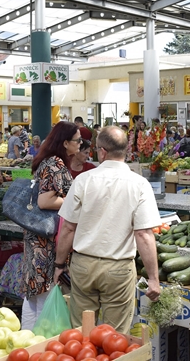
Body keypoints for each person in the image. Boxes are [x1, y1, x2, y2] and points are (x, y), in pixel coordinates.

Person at [54, 126, 161, 333]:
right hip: (118, 269)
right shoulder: (140, 184)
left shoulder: (83, 180)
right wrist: (153, 278)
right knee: (114, 338)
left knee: (81, 334)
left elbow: (68, 229)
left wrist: (59, 264)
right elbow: (143, 235)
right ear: (126, 150)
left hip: (83, 265)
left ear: (102, 151)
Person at [21, 121, 81, 330]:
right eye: (77, 140)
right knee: (44, 293)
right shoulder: (55, 164)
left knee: (34, 293)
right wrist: (75, 202)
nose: (80, 144)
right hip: (45, 239)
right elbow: (45, 201)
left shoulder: (47, 161)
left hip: (37, 236)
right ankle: (38, 343)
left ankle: (28, 340)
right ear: (65, 143)